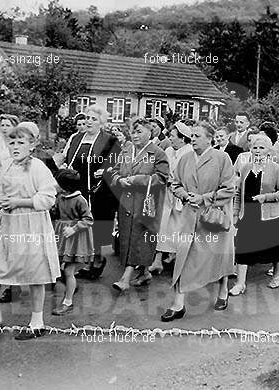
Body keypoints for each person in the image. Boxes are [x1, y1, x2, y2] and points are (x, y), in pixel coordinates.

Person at [0, 122, 60, 340]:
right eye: (11, 142)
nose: (15, 147)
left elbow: (48, 198)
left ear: (32, 145)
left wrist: (19, 202)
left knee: (36, 272)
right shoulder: (6, 165)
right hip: (6, 223)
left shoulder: (38, 167)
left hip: (31, 225)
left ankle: (37, 322)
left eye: (21, 142)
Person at [162, 123, 235, 321]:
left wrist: (203, 198)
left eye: (197, 136)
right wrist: (185, 195)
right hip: (189, 216)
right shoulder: (185, 158)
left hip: (212, 218)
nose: (192, 139)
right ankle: (178, 303)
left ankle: (223, 290)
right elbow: (174, 183)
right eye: (192, 135)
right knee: (183, 259)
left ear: (209, 138)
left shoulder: (222, 158)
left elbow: (229, 188)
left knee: (216, 258)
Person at [104, 117, 169, 291]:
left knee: (140, 238)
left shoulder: (158, 153)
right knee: (127, 237)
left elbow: (162, 178)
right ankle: (145, 272)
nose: (134, 135)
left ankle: (126, 278)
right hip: (126, 202)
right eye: (133, 131)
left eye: (139, 131)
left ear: (151, 132)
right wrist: (119, 180)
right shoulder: (126, 149)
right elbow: (115, 170)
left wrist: (138, 179)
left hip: (147, 203)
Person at [62, 106, 120, 279]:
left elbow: (117, 164)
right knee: (77, 225)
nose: (88, 121)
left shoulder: (109, 140)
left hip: (99, 191)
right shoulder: (76, 138)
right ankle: (77, 263)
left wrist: (106, 171)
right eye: (87, 117)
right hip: (77, 190)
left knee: (97, 227)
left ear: (101, 123)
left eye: (94, 119)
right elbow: (68, 159)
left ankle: (97, 260)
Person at [230, 133, 279, 294]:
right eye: (255, 147)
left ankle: (278, 272)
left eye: (261, 148)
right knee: (242, 248)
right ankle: (240, 283)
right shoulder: (245, 168)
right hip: (247, 214)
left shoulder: (277, 168)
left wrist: (265, 197)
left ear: (268, 151)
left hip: (269, 215)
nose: (257, 151)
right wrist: (235, 213)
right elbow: (237, 193)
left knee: (274, 250)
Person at [149, 121, 193, 274]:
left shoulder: (189, 152)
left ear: (182, 138)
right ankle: (157, 260)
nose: (170, 138)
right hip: (166, 195)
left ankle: (178, 259)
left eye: (173, 136)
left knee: (179, 229)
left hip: (181, 197)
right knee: (162, 226)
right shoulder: (168, 150)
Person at [51, 169, 94, 315]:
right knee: (60, 268)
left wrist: (74, 228)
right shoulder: (60, 197)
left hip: (75, 239)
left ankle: (68, 302)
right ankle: (69, 288)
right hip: (62, 236)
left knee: (68, 270)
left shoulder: (80, 200)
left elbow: (88, 219)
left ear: (65, 186)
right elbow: (55, 211)